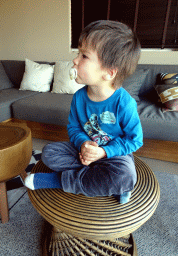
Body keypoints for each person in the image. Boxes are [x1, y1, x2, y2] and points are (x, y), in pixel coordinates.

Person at [24, 20, 143, 204]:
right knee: (48, 153)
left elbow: (135, 140)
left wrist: (104, 152)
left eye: (84, 56)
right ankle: (101, 180)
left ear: (109, 73)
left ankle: (59, 181)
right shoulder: (79, 97)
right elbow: (73, 128)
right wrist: (83, 144)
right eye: (78, 53)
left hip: (112, 155)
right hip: (83, 152)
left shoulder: (124, 103)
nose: (75, 60)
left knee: (125, 176)